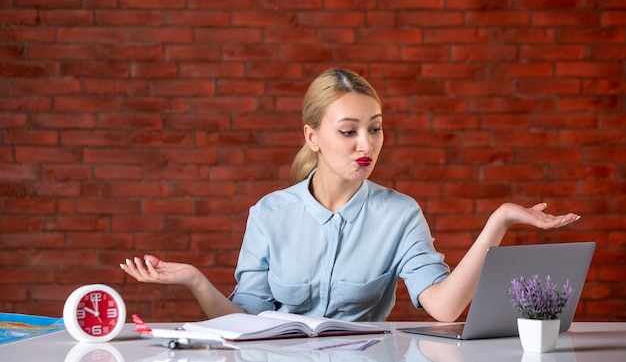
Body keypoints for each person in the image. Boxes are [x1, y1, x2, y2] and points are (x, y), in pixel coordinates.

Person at [120, 68, 580, 322]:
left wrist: (498, 221)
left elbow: (443, 307)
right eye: (349, 131)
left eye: (376, 129)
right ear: (312, 136)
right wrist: (197, 281)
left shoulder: (399, 214)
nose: (367, 145)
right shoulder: (270, 213)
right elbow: (246, 321)